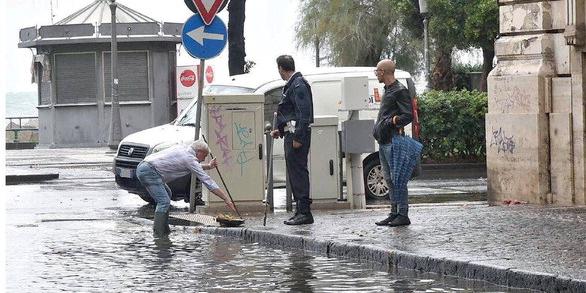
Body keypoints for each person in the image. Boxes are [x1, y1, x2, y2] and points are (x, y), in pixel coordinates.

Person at [136, 140, 237, 237]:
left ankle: (164, 228)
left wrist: (209, 166)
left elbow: (192, 165)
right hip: (149, 171)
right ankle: (159, 234)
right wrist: (226, 199)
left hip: (144, 166)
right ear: (199, 152)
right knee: (164, 201)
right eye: (204, 155)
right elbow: (208, 181)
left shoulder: (184, 149)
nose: (204, 158)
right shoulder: (189, 159)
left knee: (168, 194)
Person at [372, 59, 422, 227]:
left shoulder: (399, 90)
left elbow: (407, 115)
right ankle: (394, 213)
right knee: (389, 179)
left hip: (393, 141)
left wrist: (392, 121)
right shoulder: (388, 90)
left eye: (377, 71)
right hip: (384, 141)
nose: (376, 74)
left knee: (397, 179)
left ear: (384, 72)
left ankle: (402, 213)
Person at [271, 55, 315, 225]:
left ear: (281, 68)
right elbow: (292, 115)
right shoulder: (294, 84)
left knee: (298, 174)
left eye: (279, 69)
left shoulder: (298, 85)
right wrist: (280, 130)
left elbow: (304, 114)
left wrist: (298, 137)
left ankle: (304, 212)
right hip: (292, 133)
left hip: (297, 136)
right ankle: (300, 211)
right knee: (295, 174)